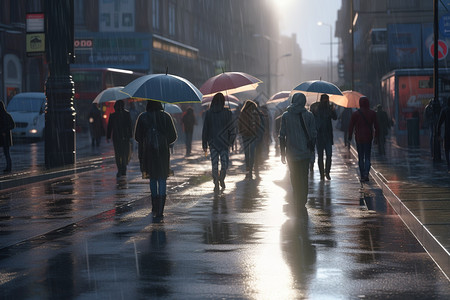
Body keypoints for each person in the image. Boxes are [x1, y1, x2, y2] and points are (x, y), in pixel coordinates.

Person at [135, 100, 177, 219]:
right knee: (162, 178)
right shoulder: (166, 116)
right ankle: (161, 209)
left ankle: (154, 205)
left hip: (148, 152)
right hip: (163, 153)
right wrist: (163, 139)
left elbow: (137, 137)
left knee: (152, 178)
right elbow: (173, 136)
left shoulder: (142, 117)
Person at [279, 92, 317, 213]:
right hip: (305, 153)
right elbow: (314, 134)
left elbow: (281, 136)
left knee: (294, 177)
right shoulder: (309, 116)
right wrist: (312, 149)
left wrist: (282, 153)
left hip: (291, 153)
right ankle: (303, 200)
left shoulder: (285, 116)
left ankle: (297, 199)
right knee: (304, 176)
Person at [202, 92, 235, 191]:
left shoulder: (209, 113)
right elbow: (232, 129)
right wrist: (231, 141)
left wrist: (204, 143)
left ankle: (216, 181)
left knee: (214, 164)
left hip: (212, 143)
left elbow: (205, 129)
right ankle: (221, 179)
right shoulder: (228, 113)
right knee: (225, 164)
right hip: (224, 144)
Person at [348, 96, 378, 182]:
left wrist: (349, 136)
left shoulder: (355, 114)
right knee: (367, 157)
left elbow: (351, 126)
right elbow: (376, 126)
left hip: (359, 138)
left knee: (361, 157)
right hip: (368, 137)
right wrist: (376, 137)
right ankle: (366, 174)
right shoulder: (372, 113)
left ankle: (362, 175)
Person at [311, 94, 337, 180]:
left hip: (328, 136)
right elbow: (312, 117)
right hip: (319, 136)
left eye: (327, 100)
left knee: (329, 155)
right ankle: (322, 174)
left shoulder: (329, 108)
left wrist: (333, 110)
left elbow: (335, 117)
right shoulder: (316, 108)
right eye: (324, 100)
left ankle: (327, 172)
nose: (326, 101)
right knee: (320, 156)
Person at [106, 100, 133, 177]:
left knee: (118, 154)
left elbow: (109, 127)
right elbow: (129, 125)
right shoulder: (127, 114)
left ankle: (119, 170)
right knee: (125, 153)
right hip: (125, 137)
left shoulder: (113, 115)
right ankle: (123, 168)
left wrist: (108, 136)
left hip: (116, 138)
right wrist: (130, 135)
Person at [238, 100, 262, 179]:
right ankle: (250, 167)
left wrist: (241, 132)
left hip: (245, 135)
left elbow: (239, 124)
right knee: (251, 152)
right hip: (251, 135)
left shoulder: (242, 113)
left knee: (247, 152)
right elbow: (258, 123)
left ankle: (248, 166)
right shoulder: (254, 114)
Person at [0, 101, 15, 173]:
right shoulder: (7, 115)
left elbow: (12, 125)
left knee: (6, 153)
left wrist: (4, 130)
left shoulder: (5, 116)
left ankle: (8, 167)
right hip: (5, 137)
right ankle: (8, 167)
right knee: (7, 153)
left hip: (3, 137)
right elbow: (12, 125)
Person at [437, 96, 450, 172]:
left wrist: (438, 134)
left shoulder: (445, 110)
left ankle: (449, 166)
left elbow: (439, 123)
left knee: (447, 150)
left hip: (447, 133)